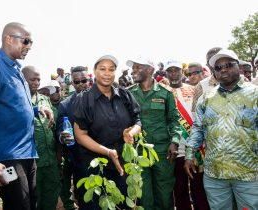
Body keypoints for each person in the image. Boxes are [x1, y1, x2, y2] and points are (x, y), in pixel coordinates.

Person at [0, 22, 53, 210]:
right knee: (18, 206)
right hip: (7, 157)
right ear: (8, 38)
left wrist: (36, 110)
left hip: (28, 154)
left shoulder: (16, 69)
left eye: (31, 43)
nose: (29, 47)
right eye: (26, 41)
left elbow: (13, 106)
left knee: (31, 204)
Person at [185, 49, 258, 210]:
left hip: (248, 174)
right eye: (218, 67)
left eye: (228, 65)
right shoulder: (206, 98)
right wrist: (189, 155)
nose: (223, 69)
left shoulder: (254, 94)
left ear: (238, 66)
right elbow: (198, 128)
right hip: (215, 175)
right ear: (214, 72)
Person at [73, 55, 142, 209]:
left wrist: (131, 133)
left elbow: (138, 121)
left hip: (124, 163)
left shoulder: (124, 95)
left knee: (126, 203)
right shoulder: (84, 100)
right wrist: (107, 152)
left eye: (111, 69)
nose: (107, 73)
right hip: (96, 166)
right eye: (102, 69)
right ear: (94, 71)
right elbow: (80, 135)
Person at [126, 56, 181, 210]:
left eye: (138, 67)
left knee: (164, 193)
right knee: (144, 195)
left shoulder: (166, 93)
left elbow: (174, 120)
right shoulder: (129, 94)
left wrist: (174, 142)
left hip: (162, 151)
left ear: (150, 69)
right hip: (138, 151)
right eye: (133, 68)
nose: (133, 71)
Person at [164, 60, 209, 210]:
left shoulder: (194, 89)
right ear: (166, 73)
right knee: (180, 189)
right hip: (175, 149)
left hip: (196, 148)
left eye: (176, 70)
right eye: (170, 71)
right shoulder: (163, 92)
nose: (173, 73)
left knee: (199, 189)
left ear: (181, 72)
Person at [22, 66, 61, 210]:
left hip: (50, 160)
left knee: (51, 195)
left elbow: (54, 126)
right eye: (33, 79)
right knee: (33, 198)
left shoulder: (45, 99)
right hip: (32, 162)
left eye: (38, 79)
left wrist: (58, 154)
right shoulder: (18, 100)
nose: (36, 83)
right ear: (23, 80)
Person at [56, 66, 89, 210]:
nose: (81, 84)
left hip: (103, 158)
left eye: (84, 80)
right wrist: (61, 137)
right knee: (83, 197)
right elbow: (59, 130)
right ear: (72, 84)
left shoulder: (102, 99)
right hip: (79, 160)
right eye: (77, 82)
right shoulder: (65, 105)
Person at [191, 47, 222, 116]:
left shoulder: (240, 81)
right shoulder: (201, 87)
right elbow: (195, 115)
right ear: (207, 65)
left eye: (218, 60)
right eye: (210, 61)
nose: (214, 64)